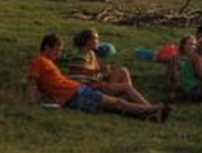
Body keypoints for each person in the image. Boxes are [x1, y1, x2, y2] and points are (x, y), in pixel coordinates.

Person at [27, 33, 170, 122]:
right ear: (47, 47)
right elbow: (32, 83)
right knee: (118, 103)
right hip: (74, 94)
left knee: (116, 104)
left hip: (77, 91)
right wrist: (31, 104)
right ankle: (154, 109)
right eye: (57, 49)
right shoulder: (39, 61)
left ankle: (150, 114)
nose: (59, 53)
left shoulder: (49, 63)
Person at [69, 28, 153, 105]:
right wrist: (99, 72)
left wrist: (105, 73)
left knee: (123, 70)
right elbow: (80, 75)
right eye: (96, 39)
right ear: (88, 41)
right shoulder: (79, 55)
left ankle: (123, 99)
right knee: (126, 86)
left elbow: (94, 71)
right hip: (90, 87)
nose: (98, 41)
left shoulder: (91, 53)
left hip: (97, 82)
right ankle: (148, 107)